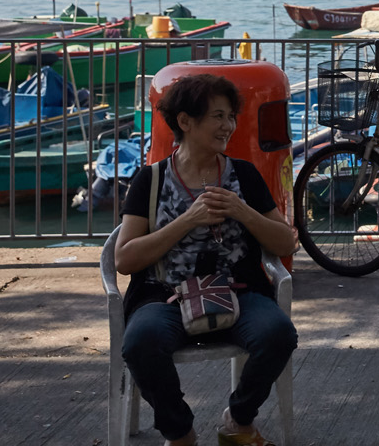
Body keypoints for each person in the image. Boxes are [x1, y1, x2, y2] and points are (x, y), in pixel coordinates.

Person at [115, 74, 298, 446]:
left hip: (239, 291)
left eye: (230, 116)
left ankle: (239, 419)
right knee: (141, 343)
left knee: (277, 334)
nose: (228, 126)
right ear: (185, 121)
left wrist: (244, 212)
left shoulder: (243, 175)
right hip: (166, 294)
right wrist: (187, 221)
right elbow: (125, 258)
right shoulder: (150, 180)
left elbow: (286, 242)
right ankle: (180, 433)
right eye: (217, 116)